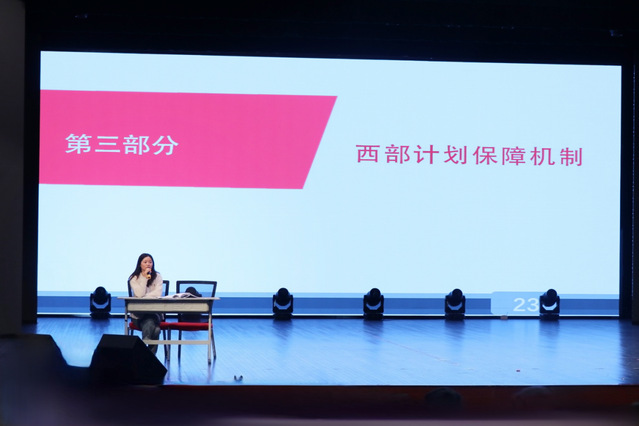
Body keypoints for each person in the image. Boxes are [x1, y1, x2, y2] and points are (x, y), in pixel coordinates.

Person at [128, 253, 164, 354]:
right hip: (138, 315)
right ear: (140, 264)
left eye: (150, 262)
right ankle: (151, 357)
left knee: (150, 319)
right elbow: (139, 294)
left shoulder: (157, 276)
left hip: (154, 313)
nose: (148, 264)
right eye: (145, 262)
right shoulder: (134, 278)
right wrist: (144, 278)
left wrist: (144, 297)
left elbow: (157, 293)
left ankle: (144, 350)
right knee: (156, 330)